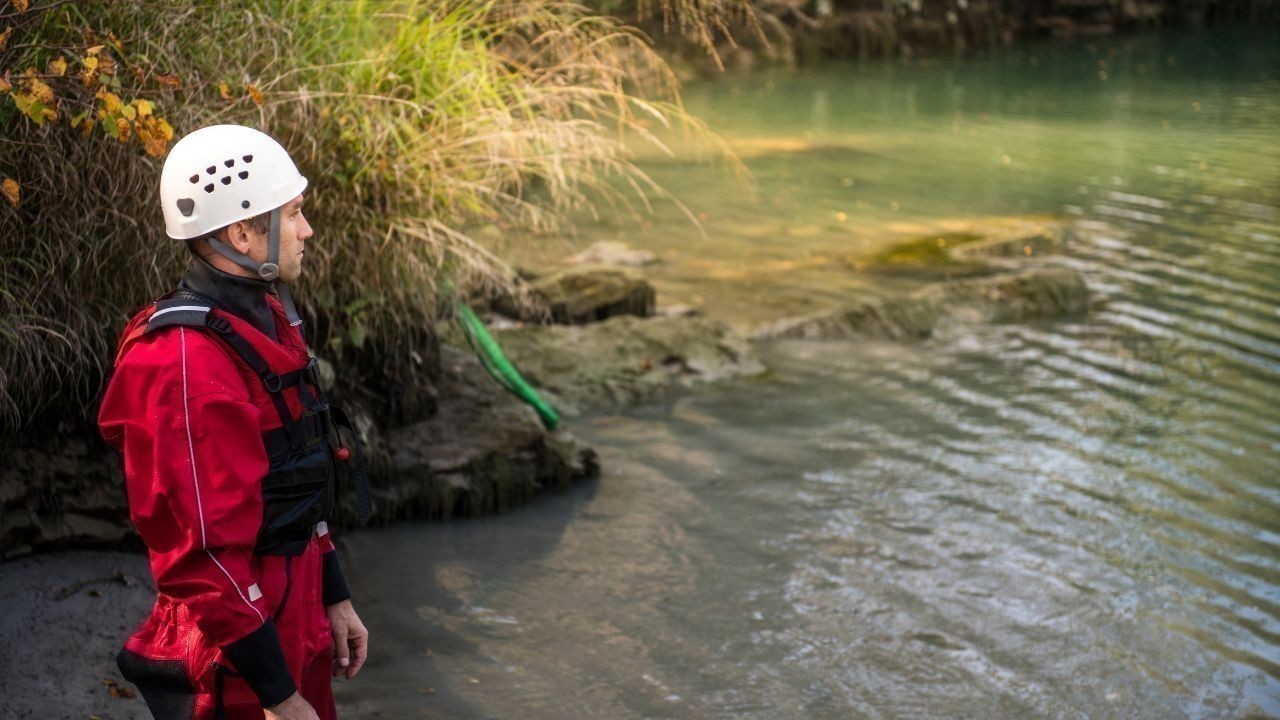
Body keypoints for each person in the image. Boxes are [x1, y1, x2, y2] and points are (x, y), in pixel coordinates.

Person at [99, 124, 373, 719]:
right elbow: (200, 555)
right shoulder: (182, 363)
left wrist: (335, 595)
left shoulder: (269, 318)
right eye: (294, 214)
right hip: (237, 652)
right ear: (242, 232)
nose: (307, 230)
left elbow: (299, 476)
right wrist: (279, 696)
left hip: (294, 608)